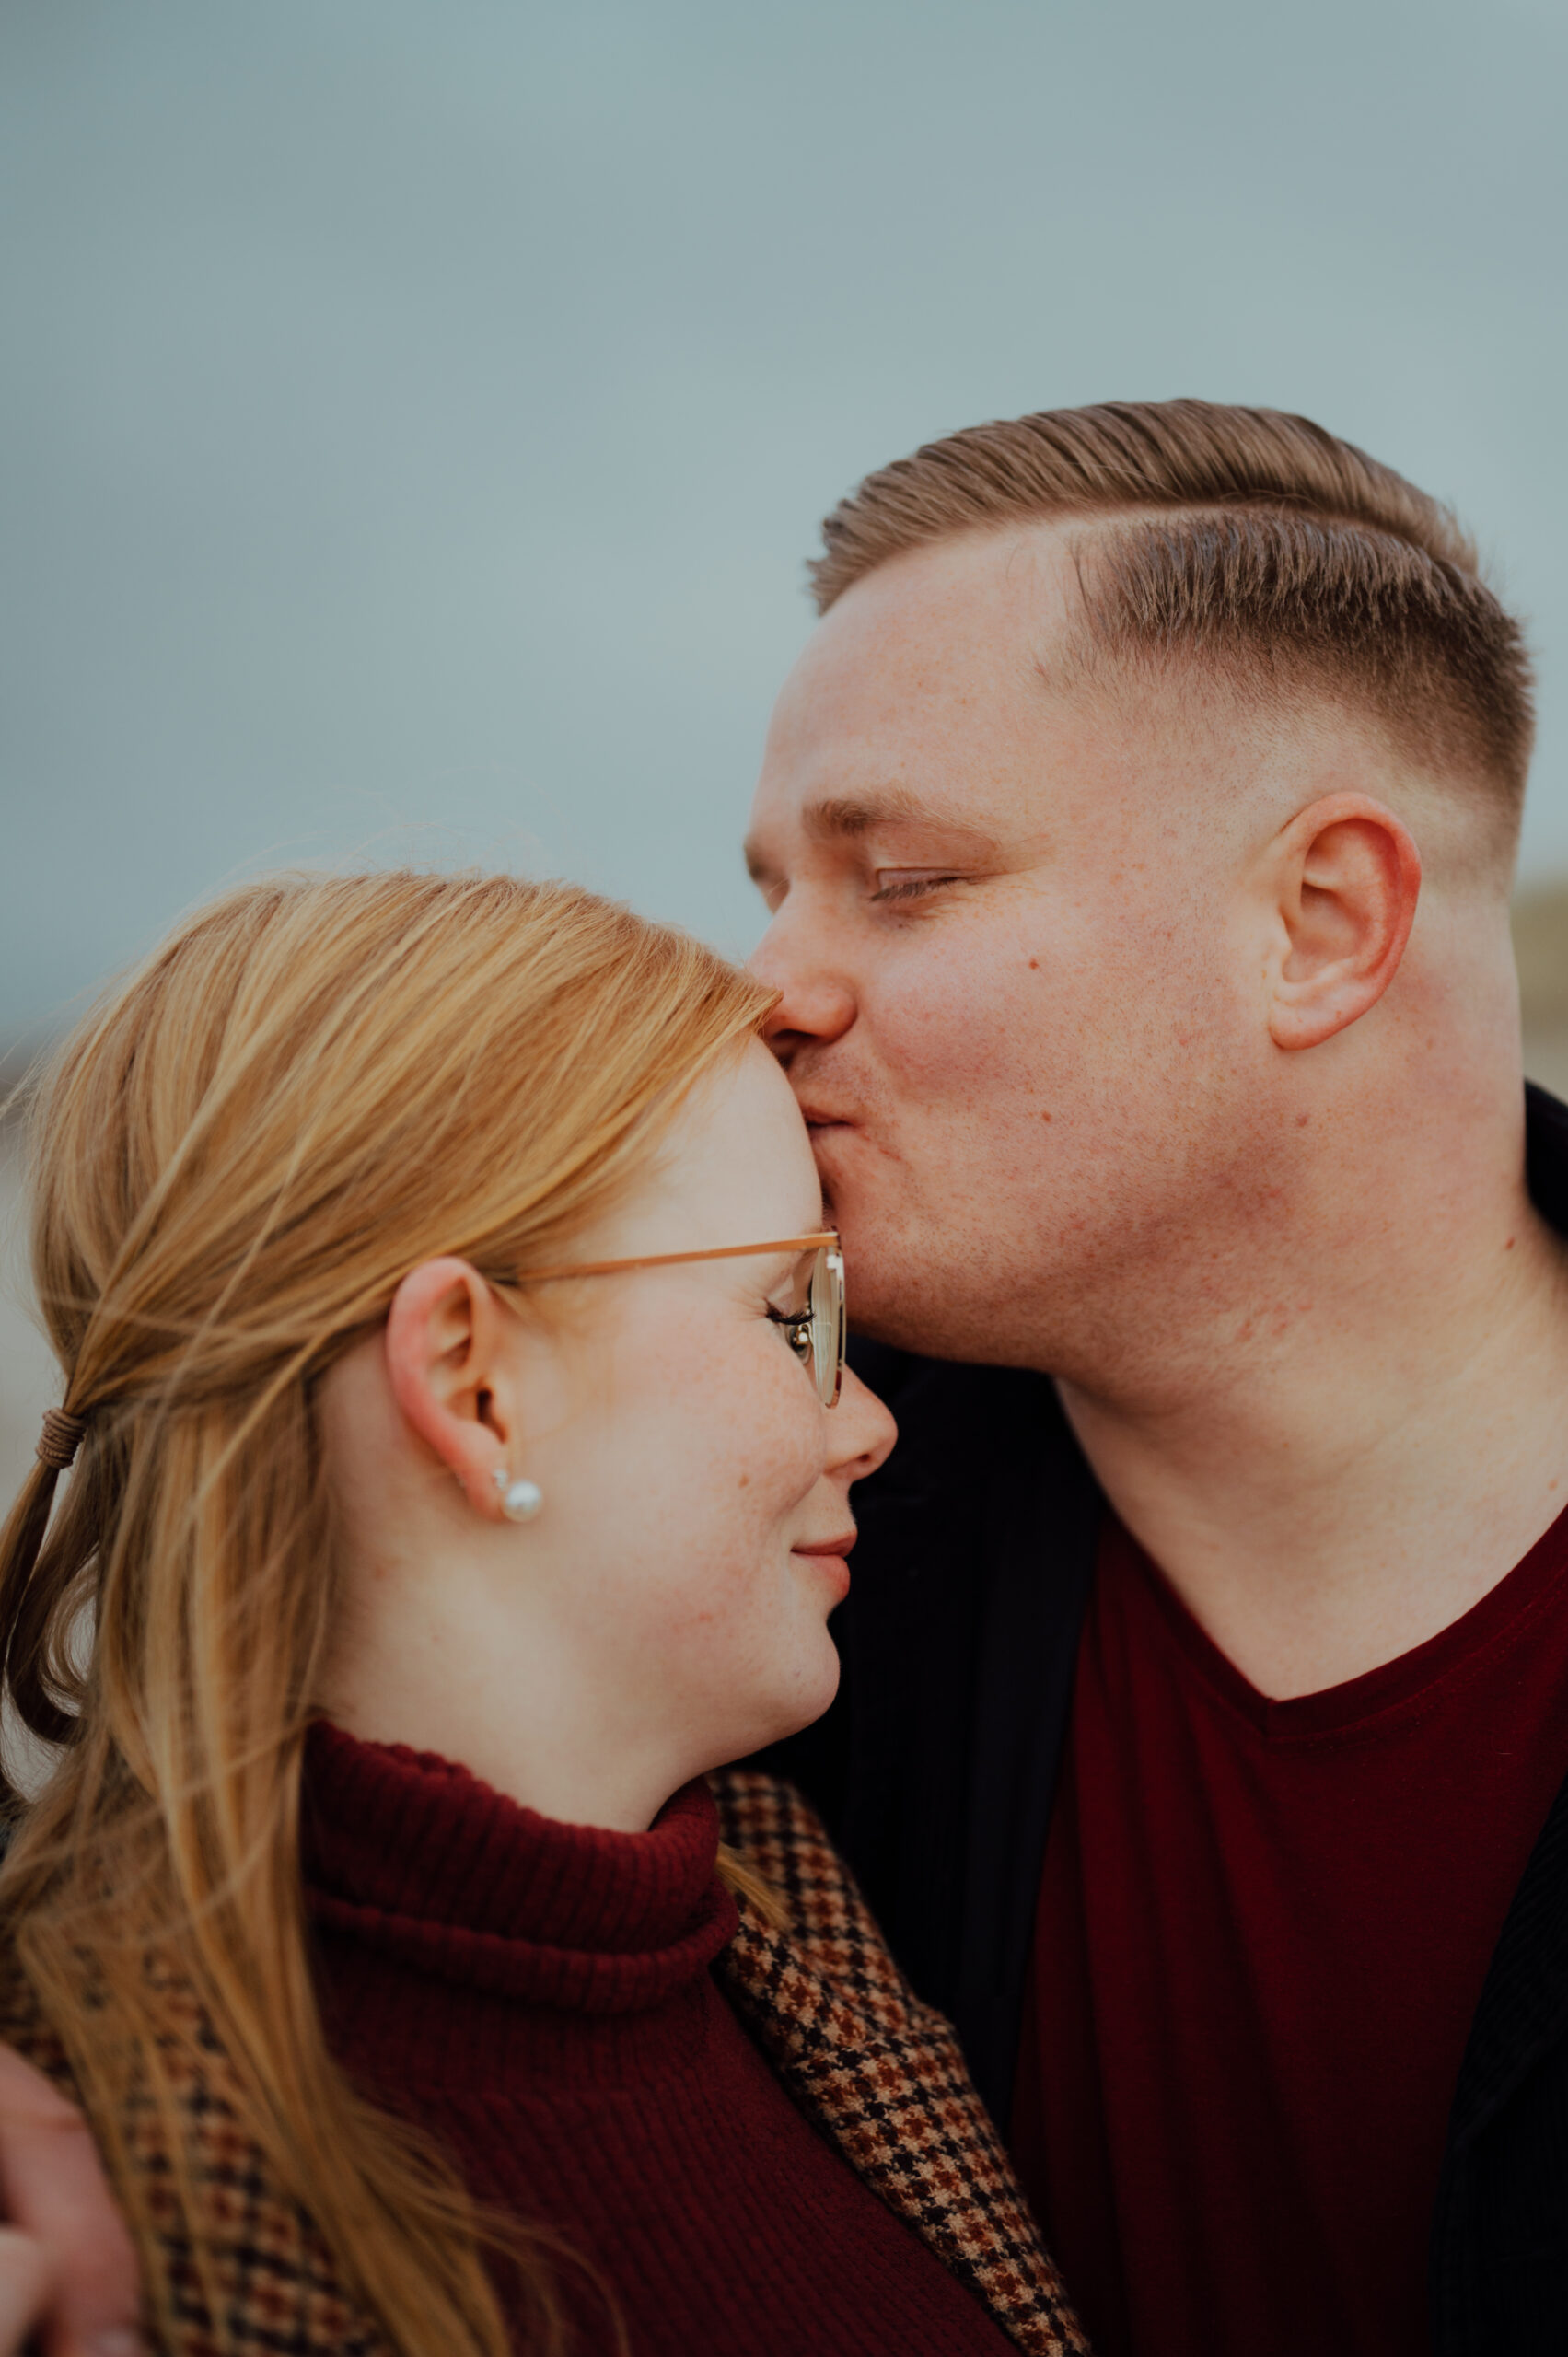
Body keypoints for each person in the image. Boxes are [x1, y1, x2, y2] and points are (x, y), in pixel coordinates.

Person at [742, 400, 1568, 2357]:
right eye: (771, 882)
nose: (763, 983)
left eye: (904, 876)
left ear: (1321, 922)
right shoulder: (749, 1550)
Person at [0, 871, 1085, 2357]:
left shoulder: (788, 1916)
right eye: (792, 1310)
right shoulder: (102, 2228)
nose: (872, 1421)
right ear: (474, 1385)